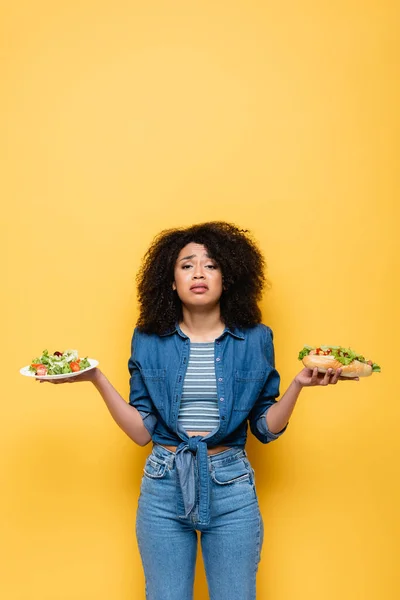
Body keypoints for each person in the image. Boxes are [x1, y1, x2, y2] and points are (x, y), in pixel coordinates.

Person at [38, 221, 359, 600]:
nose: (199, 273)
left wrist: (298, 386)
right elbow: (142, 432)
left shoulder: (257, 338)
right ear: (171, 282)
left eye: (211, 265)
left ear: (228, 277)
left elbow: (265, 427)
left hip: (231, 485)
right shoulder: (147, 340)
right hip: (163, 482)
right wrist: (96, 379)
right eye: (187, 265)